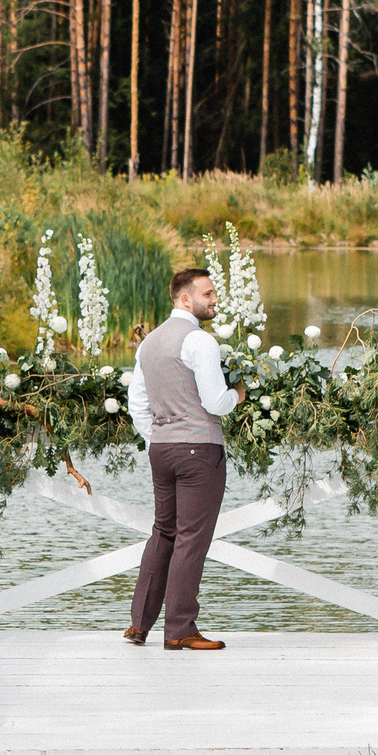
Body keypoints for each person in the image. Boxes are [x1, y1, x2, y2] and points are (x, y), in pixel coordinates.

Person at [122, 266, 243, 651]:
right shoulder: (199, 341)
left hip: (162, 449)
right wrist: (240, 394)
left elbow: (137, 404)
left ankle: (138, 625)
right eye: (208, 294)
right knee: (191, 539)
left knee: (164, 532)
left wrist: (160, 436)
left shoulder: (150, 343)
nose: (215, 300)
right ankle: (179, 629)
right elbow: (215, 402)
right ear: (185, 298)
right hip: (199, 450)